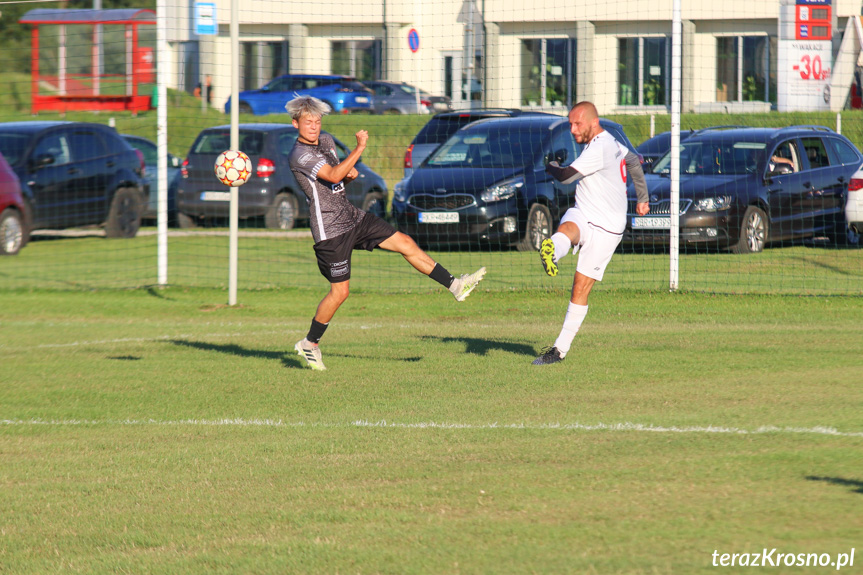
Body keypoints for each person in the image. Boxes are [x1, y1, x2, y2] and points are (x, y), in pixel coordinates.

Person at [286, 95, 487, 371]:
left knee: (405, 242)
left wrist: (349, 173)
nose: (314, 126)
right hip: (330, 229)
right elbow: (331, 176)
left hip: (352, 217)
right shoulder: (299, 154)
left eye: (318, 120)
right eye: (308, 121)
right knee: (340, 292)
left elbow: (337, 176)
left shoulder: (327, 141)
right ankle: (310, 343)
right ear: (295, 123)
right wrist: (359, 149)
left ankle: (455, 285)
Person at [533, 101, 649, 365]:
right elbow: (633, 160)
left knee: (580, 287)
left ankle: (559, 351)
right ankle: (552, 249)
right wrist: (642, 197)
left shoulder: (600, 147)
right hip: (585, 211)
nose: (572, 129)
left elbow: (564, 177)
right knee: (567, 228)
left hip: (607, 227)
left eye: (577, 124)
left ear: (593, 122)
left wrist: (550, 165)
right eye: (570, 123)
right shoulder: (610, 142)